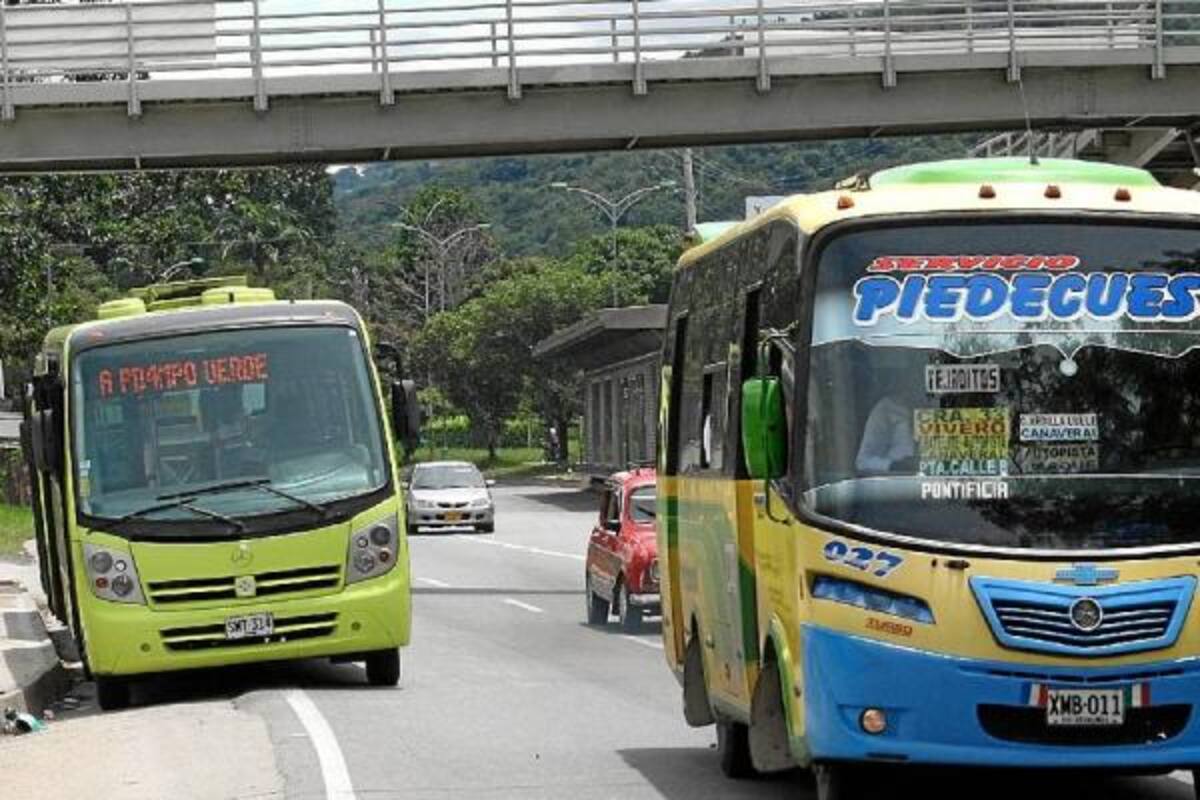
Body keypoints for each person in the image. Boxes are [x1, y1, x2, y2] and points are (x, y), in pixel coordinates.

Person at [855, 366, 923, 474]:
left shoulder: (943, 407)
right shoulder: (886, 409)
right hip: (894, 484)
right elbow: (863, 462)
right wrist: (894, 465)